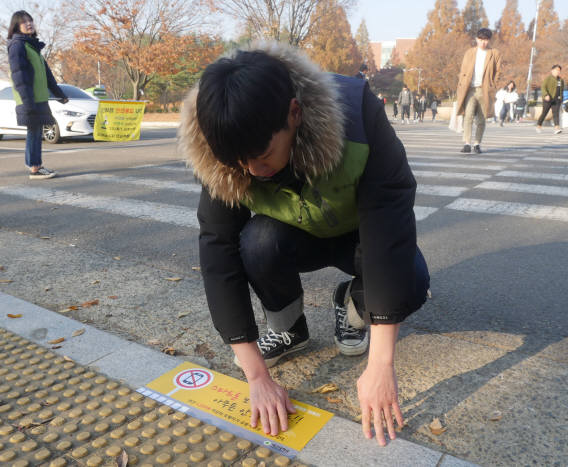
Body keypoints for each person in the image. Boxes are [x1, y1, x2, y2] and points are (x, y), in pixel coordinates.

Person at [179, 43, 430, 446]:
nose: (252, 171)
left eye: (262, 155)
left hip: (359, 234)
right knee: (255, 241)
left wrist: (381, 363)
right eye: (239, 162)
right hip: (290, 234)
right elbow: (217, 251)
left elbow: (389, 229)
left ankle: (353, 304)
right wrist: (257, 376)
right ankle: (287, 327)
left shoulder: (358, 116)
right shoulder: (221, 144)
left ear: (294, 113)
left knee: (411, 281)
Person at [7, 10, 68, 179]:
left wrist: (60, 94)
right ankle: (34, 167)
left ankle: (36, 165)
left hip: (39, 98)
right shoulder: (18, 45)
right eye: (24, 22)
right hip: (30, 98)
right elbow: (19, 76)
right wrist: (28, 102)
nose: (29, 24)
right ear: (16, 26)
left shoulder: (31, 46)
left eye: (30, 20)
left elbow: (47, 75)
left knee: (36, 131)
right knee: (34, 132)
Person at [455, 28, 501, 154]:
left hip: (485, 89)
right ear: (476, 39)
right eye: (480, 40)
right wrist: (461, 84)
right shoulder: (470, 52)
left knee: (481, 118)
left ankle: (477, 144)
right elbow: (463, 71)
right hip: (470, 89)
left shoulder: (494, 53)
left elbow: (498, 71)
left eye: (486, 40)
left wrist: (493, 85)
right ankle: (467, 143)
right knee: (468, 115)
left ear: (489, 40)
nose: (483, 42)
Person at [536, 65, 564, 135]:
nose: (558, 71)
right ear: (552, 70)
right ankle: (539, 125)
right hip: (548, 99)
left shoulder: (561, 80)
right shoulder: (548, 78)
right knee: (544, 113)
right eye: (556, 70)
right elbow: (543, 87)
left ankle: (557, 128)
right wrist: (546, 95)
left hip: (557, 100)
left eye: (559, 70)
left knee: (556, 114)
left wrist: (561, 98)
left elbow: (561, 90)